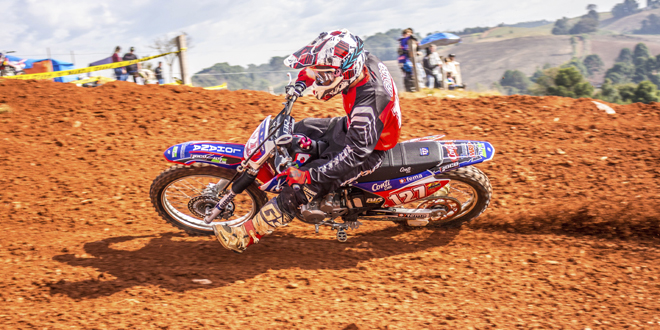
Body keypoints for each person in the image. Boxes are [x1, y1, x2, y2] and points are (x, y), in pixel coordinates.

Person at [213, 29, 403, 253]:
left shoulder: (368, 104)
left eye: (325, 76)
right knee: (298, 129)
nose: (319, 80)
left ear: (346, 73)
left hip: (367, 150)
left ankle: (246, 235)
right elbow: (319, 68)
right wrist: (300, 85)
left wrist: (308, 176)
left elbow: (354, 154)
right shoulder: (359, 60)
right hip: (350, 128)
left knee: (298, 189)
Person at [397, 28, 418, 92]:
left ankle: (411, 88)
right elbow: (411, 38)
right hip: (404, 60)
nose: (410, 35)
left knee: (409, 73)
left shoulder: (406, 41)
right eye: (408, 34)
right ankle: (410, 88)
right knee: (409, 73)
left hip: (407, 59)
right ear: (404, 34)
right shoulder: (403, 40)